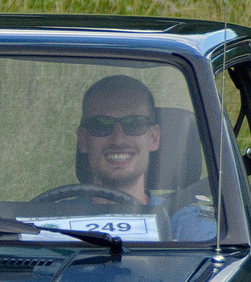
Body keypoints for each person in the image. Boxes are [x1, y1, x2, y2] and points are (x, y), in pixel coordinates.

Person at [77, 75, 217, 241]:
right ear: (84, 140)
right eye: (102, 125)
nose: (118, 140)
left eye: (134, 123)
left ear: (154, 138)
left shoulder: (188, 226)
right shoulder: (49, 218)